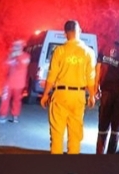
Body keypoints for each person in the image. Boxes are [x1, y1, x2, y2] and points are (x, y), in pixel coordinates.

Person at [40, 19, 96, 154]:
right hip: (78, 96)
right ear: (80, 32)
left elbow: (52, 76)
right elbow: (91, 77)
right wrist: (92, 96)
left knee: (57, 133)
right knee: (75, 134)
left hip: (61, 95)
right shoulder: (88, 52)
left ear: (65, 34)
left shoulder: (59, 51)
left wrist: (45, 94)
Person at [0, 39, 30, 123]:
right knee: (5, 98)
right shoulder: (10, 56)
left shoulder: (26, 56)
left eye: (17, 46)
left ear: (21, 47)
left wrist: (18, 56)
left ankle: (15, 116)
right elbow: (4, 66)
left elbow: (22, 66)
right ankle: (2, 115)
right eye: (14, 46)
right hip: (8, 82)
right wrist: (10, 56)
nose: (15, 48)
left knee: (16, 100)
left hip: (19, 83)